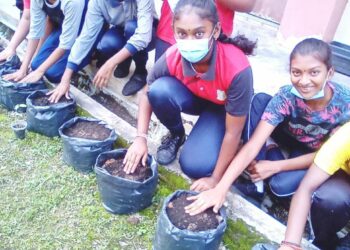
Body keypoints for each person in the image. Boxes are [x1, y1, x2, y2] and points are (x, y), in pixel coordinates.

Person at [184, 38, 350, 215]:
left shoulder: (345, 106)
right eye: (296, 72)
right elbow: (253, 145)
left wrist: (276, 166)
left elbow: (331, 156)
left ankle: (271, 157)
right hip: (285, 135)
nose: (304, 81)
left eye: (314, 73)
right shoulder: (287, 96)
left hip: (314, 153)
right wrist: (220, 187)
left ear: (329, 73)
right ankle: (257, 183)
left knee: (280, 186)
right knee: (259, 101)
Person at [123, 0, 256, 192]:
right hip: (195, 98)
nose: (190, 41)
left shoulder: (237, 69)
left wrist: (216, 179)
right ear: (174, 31)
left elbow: (232, 132)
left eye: (199, 33)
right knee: (159, 90)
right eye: (182, 34)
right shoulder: (174, 55)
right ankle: (177, 134)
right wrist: (140, 138)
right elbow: (147, 92)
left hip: (221, 109)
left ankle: (221, 144)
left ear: (216, 30)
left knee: (194, 166)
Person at [48, 0, 154, 102]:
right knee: (108, 43)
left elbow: (143, 36)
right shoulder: (97, 2)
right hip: (121, 28)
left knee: (132, 28)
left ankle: (140, 71)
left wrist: (110, 63)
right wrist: (66, 78)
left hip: (148, 32)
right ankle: (125, 60)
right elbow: (86, 38)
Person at [279, 122, 350, 250]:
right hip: (345, 179)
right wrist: (290, 245)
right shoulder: (347, 136)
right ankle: (323, 239)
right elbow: (306, 188)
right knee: (331, 199)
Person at [3, 0, 87, 84]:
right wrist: (23, 69)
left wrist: (40, 71)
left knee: (53, 74)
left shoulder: (73, 2)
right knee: (35, 65)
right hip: (64, 27)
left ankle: (90, 54)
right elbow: (35, 32)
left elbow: (65, 44)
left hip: (86, 34)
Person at [155, 0, 256, 61]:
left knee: (205, 90)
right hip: (169, 35)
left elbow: (247, 3)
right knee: (160, 88)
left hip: (210, 40)